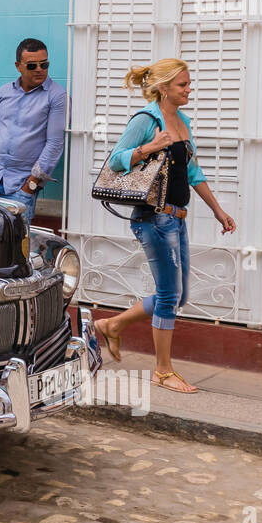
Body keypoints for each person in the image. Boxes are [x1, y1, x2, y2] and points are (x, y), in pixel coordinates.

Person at [93, 57, 236, 393]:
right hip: (154, 218)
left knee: (178, 294)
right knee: (170, 295)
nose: (189, 89)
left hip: (177, 217)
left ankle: (112, 325)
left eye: (188, 84)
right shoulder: (147, 119)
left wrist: (218, 210)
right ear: (163, 88)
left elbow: (193, 174)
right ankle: (162, 371)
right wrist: (149, 147)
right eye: (182, 85)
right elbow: (115, 160)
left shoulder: (182, 121)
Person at [0, 38, 67, 219]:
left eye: (44, 64)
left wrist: (31, 185)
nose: (39, 69)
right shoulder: (4, 92)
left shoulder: (57, 96)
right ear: (18, 66)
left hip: (20, 186)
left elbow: (54, 143)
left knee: (14, 243)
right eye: (32, 65)